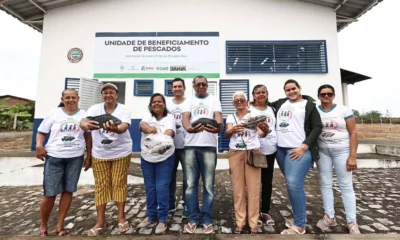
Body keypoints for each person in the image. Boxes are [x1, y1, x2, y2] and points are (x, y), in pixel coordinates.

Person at [36, 89, 91, 237]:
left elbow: (88, 137)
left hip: (75, 157)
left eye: (73, 97)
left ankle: (60, 225)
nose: (71, 100)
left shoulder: (84, 115)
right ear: (62, 99)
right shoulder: (54, 113)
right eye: (67, 97)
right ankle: (43, 225)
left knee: (68, 191)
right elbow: (41, 132)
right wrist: (39, 145)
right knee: (49, 193)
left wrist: (89, 156)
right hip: (54, 157)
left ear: (78, 99)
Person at [270, 79, 322, 235]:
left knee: (293, 183)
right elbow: (263, 103)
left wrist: (304, 146)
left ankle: (300, 225)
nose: (291, 92)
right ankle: (298, 217)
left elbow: (317, 127)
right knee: (292, 184)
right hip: (280, 150)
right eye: (288, 90)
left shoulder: (309, 105)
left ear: (299, 88)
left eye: (293, 89)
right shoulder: (281, 103)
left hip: (299, 150)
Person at [80, 83, 132, 237]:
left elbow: (123, 127)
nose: (108, 95)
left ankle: (121, 217)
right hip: (100, 153)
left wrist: (115, 128)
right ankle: (100, 221)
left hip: (121, 152)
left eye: (111, 92)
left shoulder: (124, 109)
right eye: (105, 93)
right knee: (101, 186)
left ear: (116, 95)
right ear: (102, 95)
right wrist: (87, 125)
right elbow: (83, 123)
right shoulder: (94, 109)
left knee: (119, 184)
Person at [315, 84, 360, 234]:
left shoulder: (344, 110)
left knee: (346, 185)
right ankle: (329, 217)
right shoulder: (315, 111)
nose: (326, 96)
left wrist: (352, 156)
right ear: (319, 96)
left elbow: (353, 133)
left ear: (333, 95)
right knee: (325, 184)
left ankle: (352, 222)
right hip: (323, 151)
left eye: (329, 94)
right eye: (323, 94)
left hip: (342, 151)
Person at [181, 76, 223, 234]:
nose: (201, 86)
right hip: (191, 146)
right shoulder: (188, 101)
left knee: (208, 186)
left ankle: (207, 219)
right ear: (193, 86)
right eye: (197, 84)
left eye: (203, 84)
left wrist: (219, 127)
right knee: (191, 186)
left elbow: (218, 118)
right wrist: (188, 128)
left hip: (209, 147)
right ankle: (193, 218)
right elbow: (185, 119)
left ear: (207, 86)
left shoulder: (214, 100)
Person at [225, 91, 270, 234]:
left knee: (254, 188)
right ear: (233, 103)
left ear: (247, 101)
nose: (239, 102)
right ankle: (240, 221)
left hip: (253, 152)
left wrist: (265, 130)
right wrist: (232, 130)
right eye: (236, 101)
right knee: (238, 189)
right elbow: (227, 134)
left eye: (242, 100)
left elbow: (262, 134)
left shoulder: (254, 116)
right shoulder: (231, 117)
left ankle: (253, 223)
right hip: (235, 153)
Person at [137, 93, 176, 234]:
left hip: (165, 158)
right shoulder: (147, 115)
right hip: (147, 157)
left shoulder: (169, 117)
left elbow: (170, 131)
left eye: (160, 101)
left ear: (164, 104)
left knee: (162, 187)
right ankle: (152, 216)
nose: (157, 104)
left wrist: (164, 135)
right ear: (151, 104)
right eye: (154, 102)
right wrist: (149, 129)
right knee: (150, 188)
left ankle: (163, 218)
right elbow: (142, 125)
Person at [249, 84, 277, 227]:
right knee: (254, 183)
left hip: (270, 151)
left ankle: (265, 211)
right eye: (258, 92)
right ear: (253, 95)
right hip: (255, 151)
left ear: (267, 94)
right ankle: (254, 212)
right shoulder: (249, 109)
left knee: (267, 183)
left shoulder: (272, 109)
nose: (261, 94)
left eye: (263, 92)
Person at [167, 78, 188, 217]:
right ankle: (170, 204)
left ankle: (188, 205)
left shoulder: (190, 103)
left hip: (187, 146)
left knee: (189, 177)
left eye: (180, 86)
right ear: (172, 89)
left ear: (184, 88)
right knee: (169, 176)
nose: (177, 88)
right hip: (170, 146)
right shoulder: (167, 104)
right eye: (175, 86)